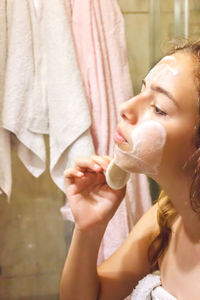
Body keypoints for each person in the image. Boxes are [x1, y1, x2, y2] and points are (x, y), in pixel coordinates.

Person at [59, 41, 200, 300]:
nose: (125, 107)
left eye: (158, 108)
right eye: (142, 90)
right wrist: (89, 229)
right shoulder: (166, 219)